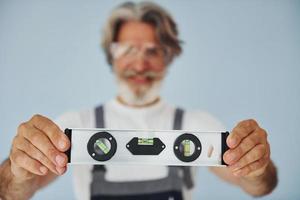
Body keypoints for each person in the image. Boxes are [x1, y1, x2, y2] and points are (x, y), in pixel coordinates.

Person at [0, 2, 277, 200]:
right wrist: (18, 170)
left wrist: (256, 167)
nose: (140, 63)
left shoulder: (196, 126)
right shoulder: (76, 126)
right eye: (128, 49)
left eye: (153, 51)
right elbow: (13, 193)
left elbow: (259, 187)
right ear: (112, 57)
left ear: (168, 59)